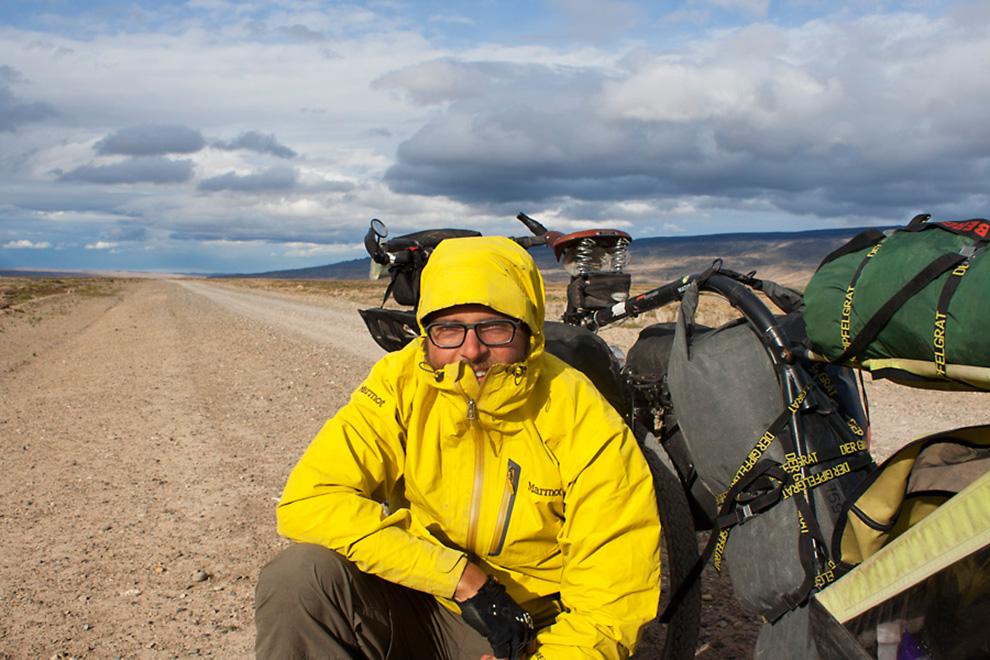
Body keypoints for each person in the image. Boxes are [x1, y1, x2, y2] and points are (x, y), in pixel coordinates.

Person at [255, 236, 663, 659]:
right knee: (300, 579)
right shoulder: (400, 383)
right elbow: (310, 500)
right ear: (426, 335)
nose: (471, 350)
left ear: (529, 331)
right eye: (448, 328)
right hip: (417, 592)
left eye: (495, 326)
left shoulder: (580, 413)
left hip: (525, 630)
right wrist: (459, 578)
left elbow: (613, 596)